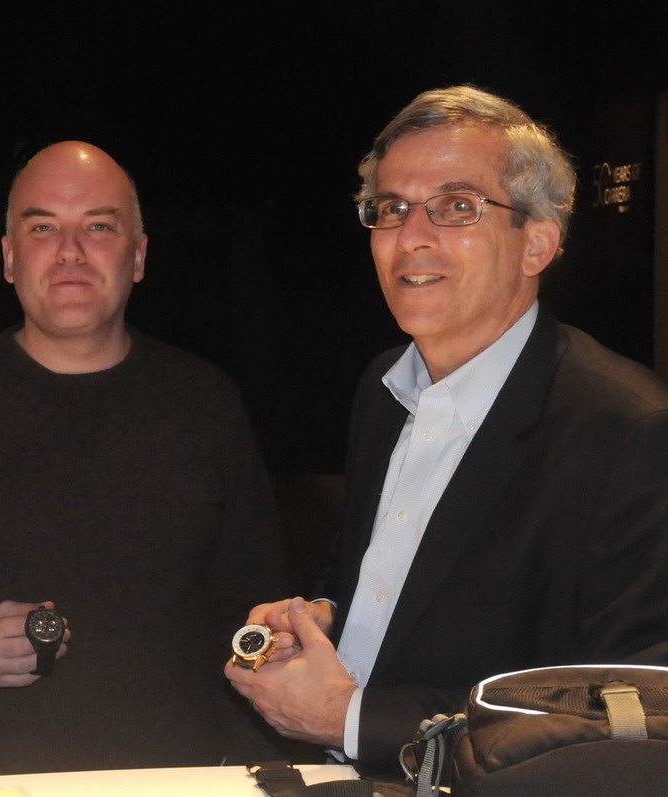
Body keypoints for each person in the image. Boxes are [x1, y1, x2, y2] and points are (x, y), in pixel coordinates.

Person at [226, 85, 668, 773]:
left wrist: (350, 718)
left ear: (537, 243)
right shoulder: (383, 387)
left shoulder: (629, 432)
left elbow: (623, 719)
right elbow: (380, 580)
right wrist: (320, 618)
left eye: (457, 206)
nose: (411, 237)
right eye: (391, 208)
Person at [0, 140, 284, 777]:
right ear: (9, 258)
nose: (70, 251)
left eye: (98, 226)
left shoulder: (205, 403)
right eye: (43, 228)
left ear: (138, 256)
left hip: (180, 778)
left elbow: (253, 603)